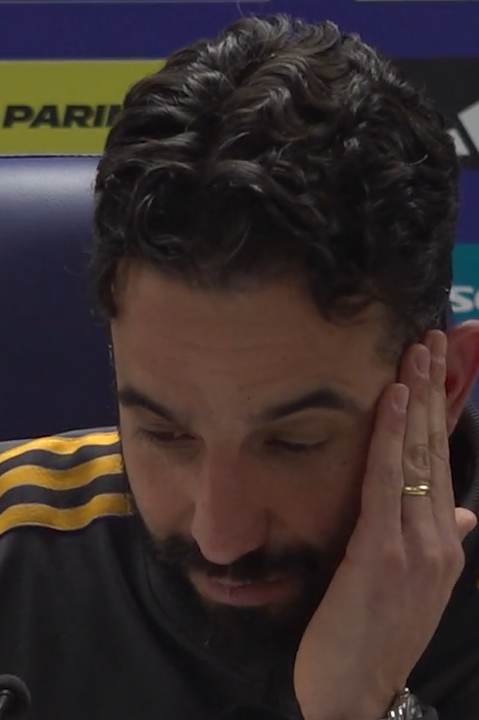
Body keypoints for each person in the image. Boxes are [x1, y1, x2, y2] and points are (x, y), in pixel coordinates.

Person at [1, 13, 479, 720]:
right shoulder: (15, 550)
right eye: (165, 433)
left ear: (445, 385)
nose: (219, 536)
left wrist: (361, 707)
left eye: (293, 442)